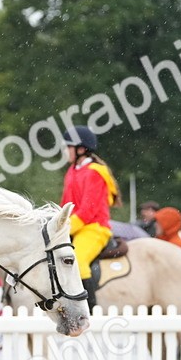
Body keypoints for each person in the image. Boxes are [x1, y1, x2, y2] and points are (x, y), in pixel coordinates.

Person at [60, 125, 120, 310]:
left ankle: (89, 309)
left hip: (95, 227)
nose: (66, 151)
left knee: (77, 260)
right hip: (76, 224)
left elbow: (87, 211)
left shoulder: (94, 172)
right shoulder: (72, 170)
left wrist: (65, 228)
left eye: (68, 147)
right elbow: (65, 204)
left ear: (81, 149)